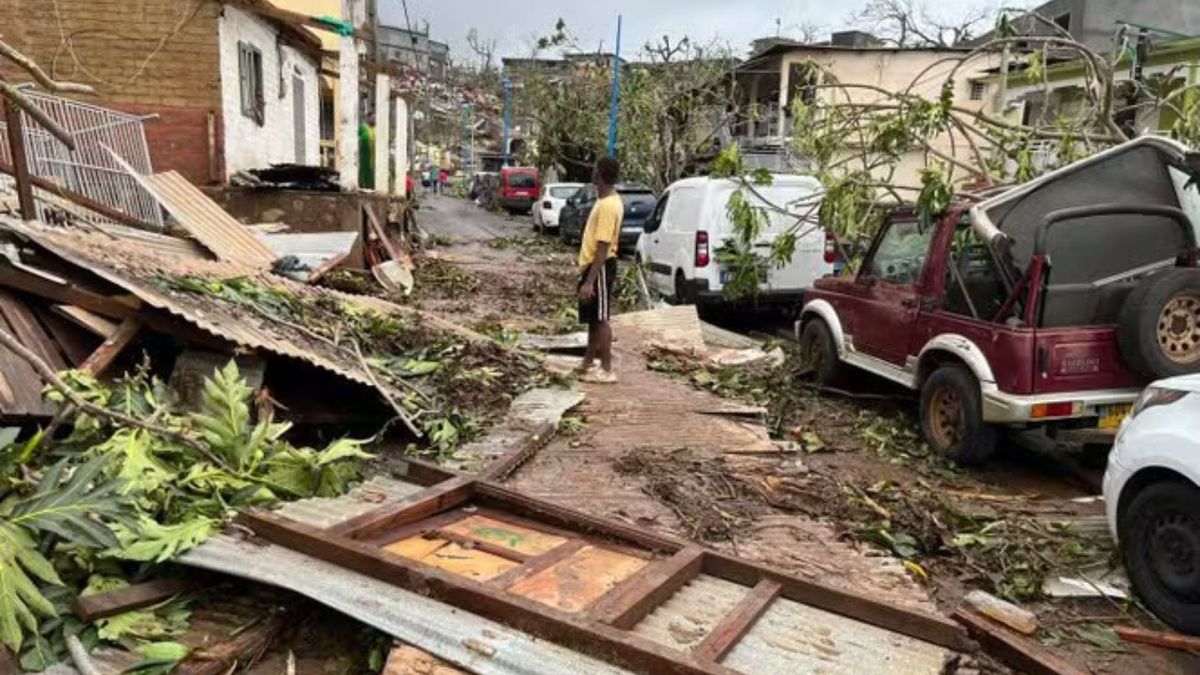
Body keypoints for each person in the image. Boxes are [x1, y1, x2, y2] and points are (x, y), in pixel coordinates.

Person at [576, 156, 623, 384]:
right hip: (593, 266)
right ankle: (587, 363)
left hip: (601, 266)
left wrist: (589, 282)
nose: (592, 172)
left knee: (601, 318)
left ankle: (606, 369)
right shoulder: (604, 200)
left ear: (601, 174)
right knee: (593, 318)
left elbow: (603, 246)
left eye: (595, 169)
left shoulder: (608, 206)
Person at [358, 114, 376, 190]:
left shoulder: (376, 128)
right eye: (372, 118)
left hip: (374, 153)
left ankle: (372, 186)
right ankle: (363, 185)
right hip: (365, 153)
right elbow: (358, 138)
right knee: (364, 169)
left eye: (375, 118)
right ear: (367, 118)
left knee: (373, 170)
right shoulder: (363, 127)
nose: (374, 120)